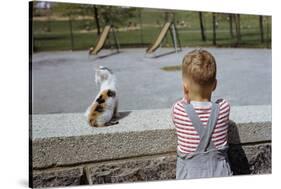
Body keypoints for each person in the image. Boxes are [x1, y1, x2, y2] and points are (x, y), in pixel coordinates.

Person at [171, 49, 232, 179]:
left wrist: (186, 94)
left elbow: (183, 103)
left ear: (185, 87)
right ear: (215, 85)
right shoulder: (224, 108)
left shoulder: (178, 110)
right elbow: (220, 102)